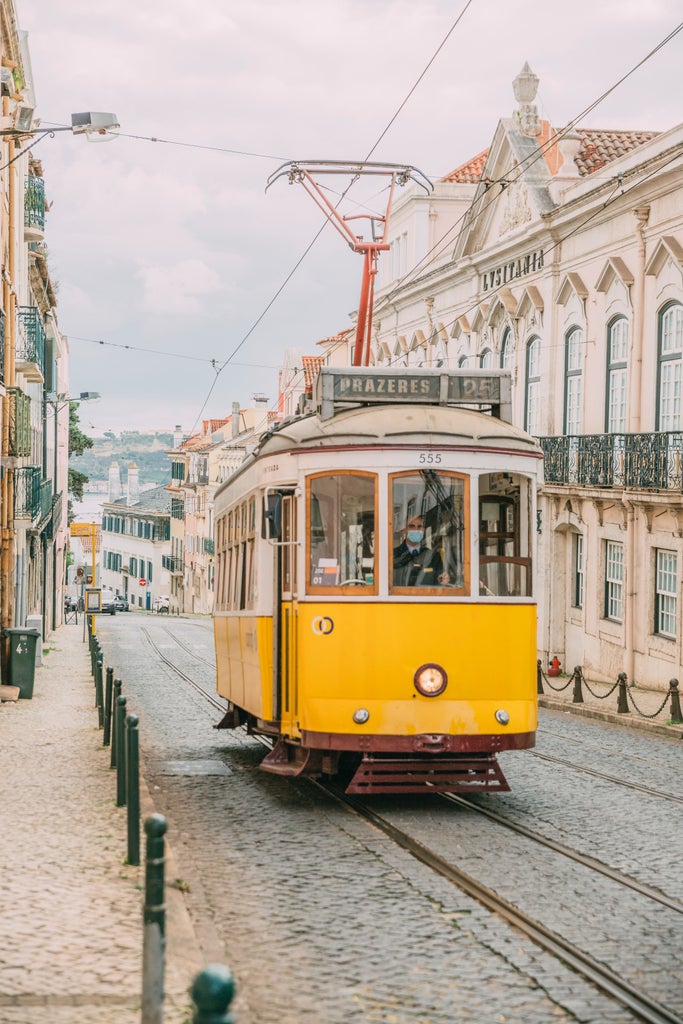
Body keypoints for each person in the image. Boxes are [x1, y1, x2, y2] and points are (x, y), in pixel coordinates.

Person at [393, 516, 449, 587]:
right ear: (404, 530)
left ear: (423, 530)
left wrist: (444, 580)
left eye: (419, 526)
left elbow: (440, 583)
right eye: (412, 526)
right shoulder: (393, 554)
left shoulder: (434, 556)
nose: (416, 529)